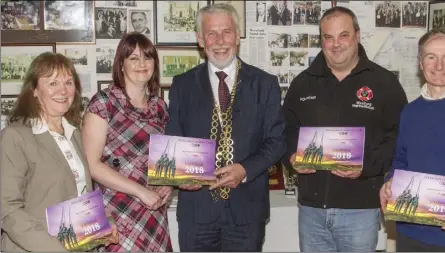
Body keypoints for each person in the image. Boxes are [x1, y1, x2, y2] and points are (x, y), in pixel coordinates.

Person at [282, 6, 408, 252]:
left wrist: (366, 166)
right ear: (321, 40)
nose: (335, 44)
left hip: (360, 209)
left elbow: (399, 139)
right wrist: (290, 157)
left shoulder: (384, 83)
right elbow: (285, 130)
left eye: (343, 35)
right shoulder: (303, 83)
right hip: (312, 210)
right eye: (328, 37)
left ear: (357, 36)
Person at [166, 3, 285, 252]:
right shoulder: (182, 85)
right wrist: (180, 178)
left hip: (246, 212)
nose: (220, 41)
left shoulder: (265, 84)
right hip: (196, 213)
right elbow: (173, 140)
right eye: (212, 33)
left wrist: (245, 169)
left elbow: (277, 141)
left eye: (227, 32)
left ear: (237, 36)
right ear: (200, 39)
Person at [380, 29, 445, 252]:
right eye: (431, 57)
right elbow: (401, 161)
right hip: (411, 232)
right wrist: (390, 180)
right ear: (420, 63)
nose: (439, 65)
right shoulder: (410, 112)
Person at [82, 33, 172, 252]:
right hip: (116, 211)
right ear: (121, 64)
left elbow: (163, 161)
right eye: (133, 58)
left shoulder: (159, 107)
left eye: (147, 57)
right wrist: (140, 192)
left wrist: (167, 183)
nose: (142, 64)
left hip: (153, 214)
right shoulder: (104, 103)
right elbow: (92, 166)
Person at [0, 53, 98, 251]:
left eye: (69, 82)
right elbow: (8, 211)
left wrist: (101, 225)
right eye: (53, 83)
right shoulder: (15, 137)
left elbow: (79, 194)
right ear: (34, 90)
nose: (63, 90)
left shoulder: (75, 134)